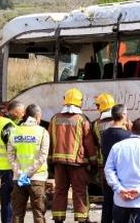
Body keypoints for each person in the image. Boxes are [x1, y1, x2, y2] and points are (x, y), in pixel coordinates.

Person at [48, 88, 98, 223]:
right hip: (77, 163)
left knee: (59, 191)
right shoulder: (82, 120)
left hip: (58, 163)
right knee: (80, 191)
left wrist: (50, 162)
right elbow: (89, 143)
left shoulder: (54, 119)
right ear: (80, 102)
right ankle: (82, 219)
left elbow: (50, 142)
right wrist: (94, 162)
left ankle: (58, 218)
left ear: (65, 100)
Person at [104, 118, 140, 223]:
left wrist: (120, 189)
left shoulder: (117, 147)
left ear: (131, 128)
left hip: (120, 200)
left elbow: (108, 170)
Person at [8, 104, 50, 223]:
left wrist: (20, 172)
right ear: (37, 116)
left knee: (17, 213)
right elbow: (42, 157)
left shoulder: (14, 131)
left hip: (19, 178)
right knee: (38, 213)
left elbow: (10, 156)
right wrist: (28, 173)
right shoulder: (42, 132)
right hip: (37, 178)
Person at [0, 100, 25, 223]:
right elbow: (13, 148)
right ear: (15, 112)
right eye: (21, 112)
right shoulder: (8, 126)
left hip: (1, 164)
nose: (23, 115)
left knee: (6, 198)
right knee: (8, 199)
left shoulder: (1, 121)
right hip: (8, 166)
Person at [101, 104, 132, 223]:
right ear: (123, 115)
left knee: (107, 204)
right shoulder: (127, 135)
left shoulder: (104, 134)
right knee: (123, 207)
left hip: (107, 174)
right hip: (122, 175)